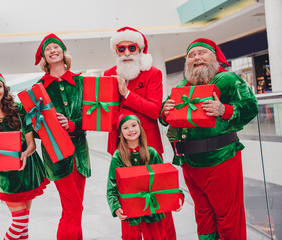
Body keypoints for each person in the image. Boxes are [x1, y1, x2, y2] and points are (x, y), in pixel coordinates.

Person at [160, 38, 259, 239]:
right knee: (203, 215)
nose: (196, 57)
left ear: (214, 57)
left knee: (228, 217)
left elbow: (251, 107)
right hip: (189, 162)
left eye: (201, 53)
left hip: (220, 158)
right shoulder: (181, 86)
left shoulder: (229, 80)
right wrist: (165, 111)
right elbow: (165, 117)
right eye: (191, 55)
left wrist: (224, 109)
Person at [104, 26, 177, 239]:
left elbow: (155, 110)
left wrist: (125, 93)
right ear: (116, 51)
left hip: (149, 145)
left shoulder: (152, 73)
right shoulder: (109, 75)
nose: (126, 52)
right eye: (121, 48)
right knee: (128, 199)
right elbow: (107, 113)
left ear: (140, 49)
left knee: (159, 198)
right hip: (121, 147)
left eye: (131, 47)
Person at [0, 67, 50, 240]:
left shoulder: (20, 109)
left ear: (4, 89)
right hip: (6, 176)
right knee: (19, 222)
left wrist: (25, 154)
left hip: (27, 170)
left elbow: (31, 145)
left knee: (24, 226)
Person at [34, 33, 91, 240]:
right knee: (73, 207)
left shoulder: (81, 82)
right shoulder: (38, 88)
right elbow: (32, 127)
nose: (52, 50)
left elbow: (94, 116)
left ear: (63, 53)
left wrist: (72, 123)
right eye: (48, 49)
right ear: (44, 57)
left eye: (56, 47)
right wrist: (44, 124)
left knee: (76, 209)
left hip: (80, 154)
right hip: (56, 156)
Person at [107, 112, 183, 240]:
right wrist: (115, 207)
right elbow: (112, 185)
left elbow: (166, 180)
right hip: (130, 212)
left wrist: (178, 196)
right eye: (125, 128)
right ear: (120, 133)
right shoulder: (118, 157)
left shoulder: (151, 153)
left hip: (152, 210)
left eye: (133, 125)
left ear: (140, 128)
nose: (131, 130)